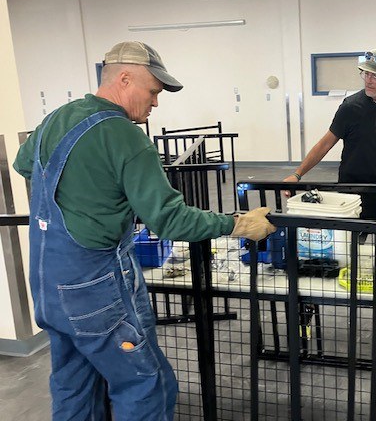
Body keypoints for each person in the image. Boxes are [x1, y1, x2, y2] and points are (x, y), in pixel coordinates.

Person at [13, 41, 275, 421]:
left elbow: (25, 166)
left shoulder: (58, 117)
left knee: (75, 385)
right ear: (124, 78)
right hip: (93, 290)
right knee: (146, 385)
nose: (156, 103)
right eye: (153, 91)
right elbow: (170, 220)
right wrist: (237, 224)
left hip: (47, 285)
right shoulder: (124, 136)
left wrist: (91, 197)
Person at [283, 48, 376, 218]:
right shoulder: (351, 107)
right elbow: (325, 144)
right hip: (353, 187)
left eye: (375, 76)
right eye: (365, 74)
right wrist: (297, 174)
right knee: (351, 240)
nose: (368, 80)